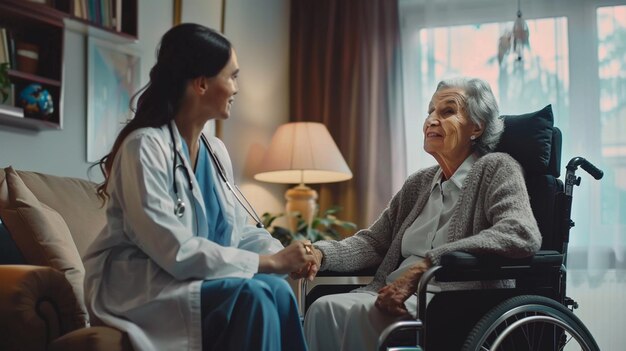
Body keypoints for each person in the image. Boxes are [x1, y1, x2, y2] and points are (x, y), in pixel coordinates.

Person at [83, 23, 315, 351]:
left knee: (276, 290)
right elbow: (175, 250)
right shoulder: (144, 147)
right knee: (257, 293)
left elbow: (239, 231)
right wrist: (272, 264)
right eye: (232, 76)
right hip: (146, 289)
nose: (236, 88)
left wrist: (284, 255)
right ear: (202, 84)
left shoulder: (215, 150)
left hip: (195, 280)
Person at [298, 77, 542, 351]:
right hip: (393, 295)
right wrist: (321, 253)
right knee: (323, 308)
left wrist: (427, 265)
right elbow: (373, 242)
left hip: (451, 299)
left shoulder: (497, 168)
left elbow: (521, 234)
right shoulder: (419, 183)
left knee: (353, 315)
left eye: (447, 111)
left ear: (476, 127)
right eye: (430, 112)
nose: (431, 120)